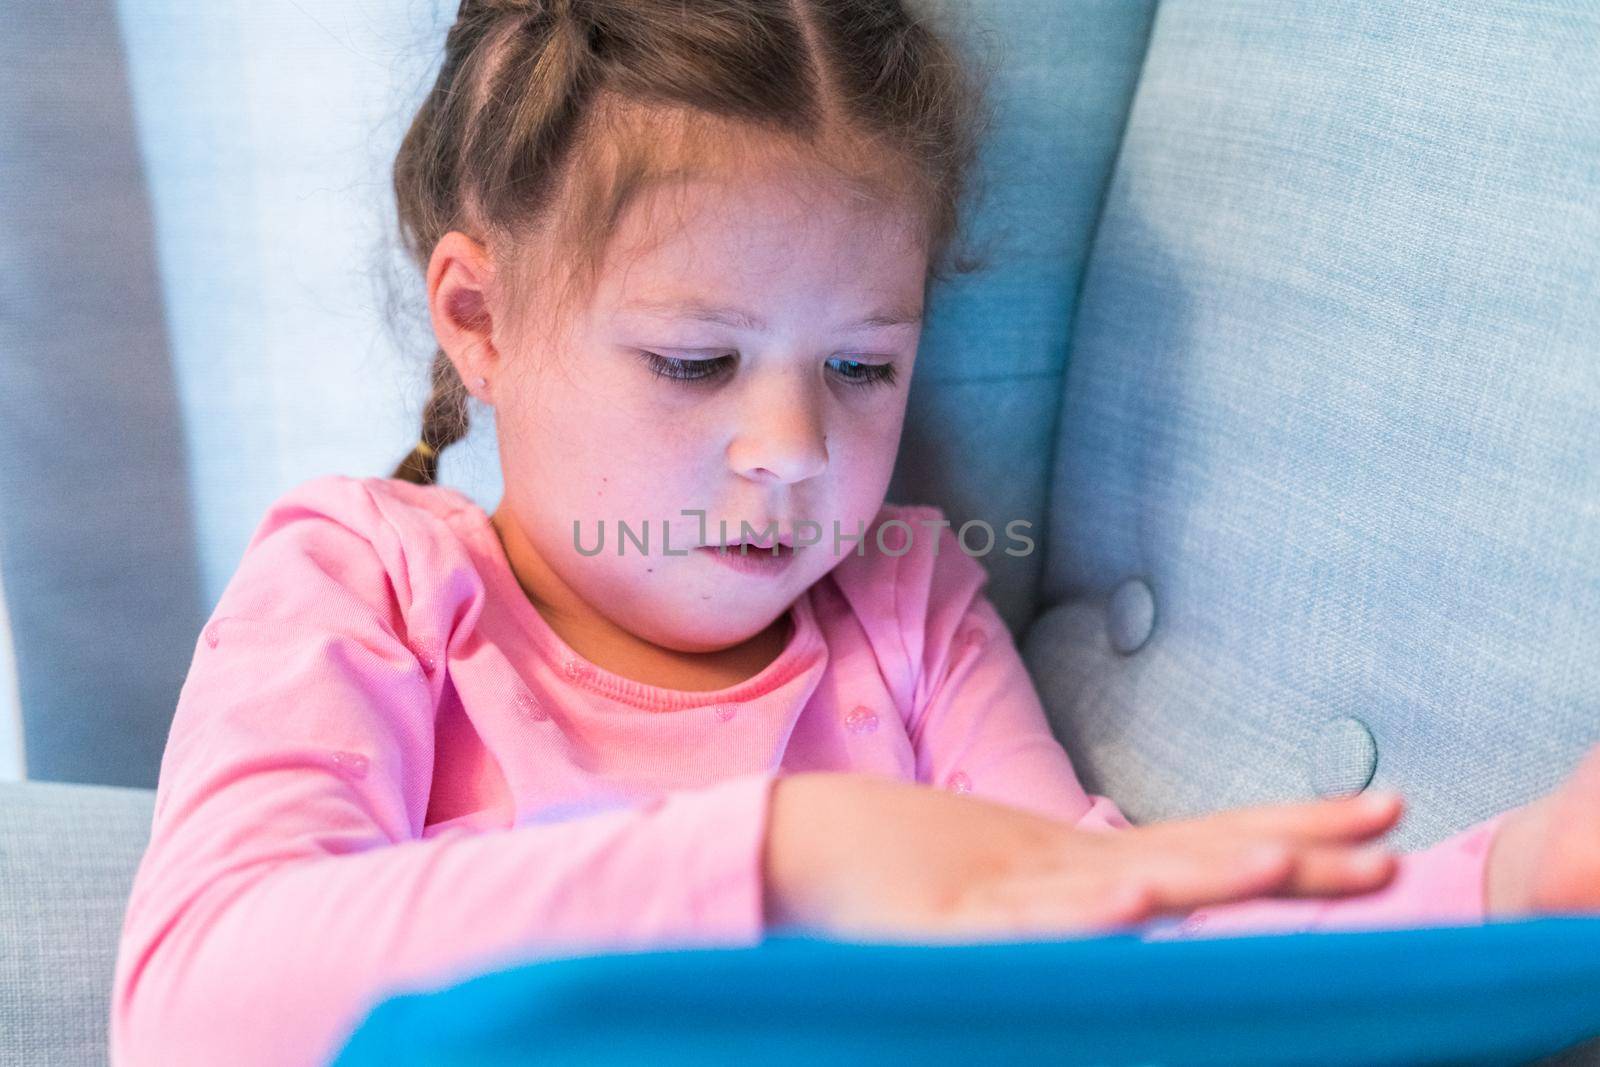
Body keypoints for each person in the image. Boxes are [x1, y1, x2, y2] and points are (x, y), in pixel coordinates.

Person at [108, 1, 1600, 1063]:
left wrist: (1502, 883)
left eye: (861, 368)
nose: (793, 454)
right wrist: (783, 854)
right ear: (479, 319)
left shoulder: (901, 605)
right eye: (696, 362)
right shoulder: (363, 575)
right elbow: (191, 1008)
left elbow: (1106, 930)